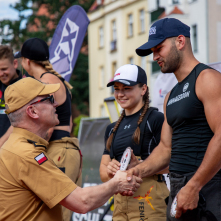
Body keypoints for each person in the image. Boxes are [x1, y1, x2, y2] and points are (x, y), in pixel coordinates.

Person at [0, 77, 142, 221]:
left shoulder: (16, 147)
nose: (55, 104)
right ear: (33, 111)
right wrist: (117, 183)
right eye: (48, 99)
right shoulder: (27, 154)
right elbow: (82, 202)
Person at [124, 17, 221, 221]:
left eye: (159, 48)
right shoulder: (170, 96)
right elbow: (166, 148)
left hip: (208, 189)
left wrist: (194, 186)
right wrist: (137, 170)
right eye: (152, 52)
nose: (155, 56)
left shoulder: (207, 78)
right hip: (179, 189)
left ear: (180, 42)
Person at [14, 37, 80, 221]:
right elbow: (70, 121)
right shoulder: (55, 79)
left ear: (27, 61)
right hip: (65, 148)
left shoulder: (44, 81)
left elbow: (46, 124)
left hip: (59, 149)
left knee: (58, 213)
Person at [100, 64, 169, 221]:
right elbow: (103, 173)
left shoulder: (156, 119)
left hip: (149, 197)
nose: (120, 94)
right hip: (119, 199)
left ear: (143, 89)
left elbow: (174, 164)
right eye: (117, 89)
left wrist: (139, 166)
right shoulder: (112, 129)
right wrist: (111, 170)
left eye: (127, 88)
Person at [0, 45, 22, 147]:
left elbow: (19, 123)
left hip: (15, 150)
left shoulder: (26, 87)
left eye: (4, 69)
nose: (1, 74)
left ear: (15, 63)